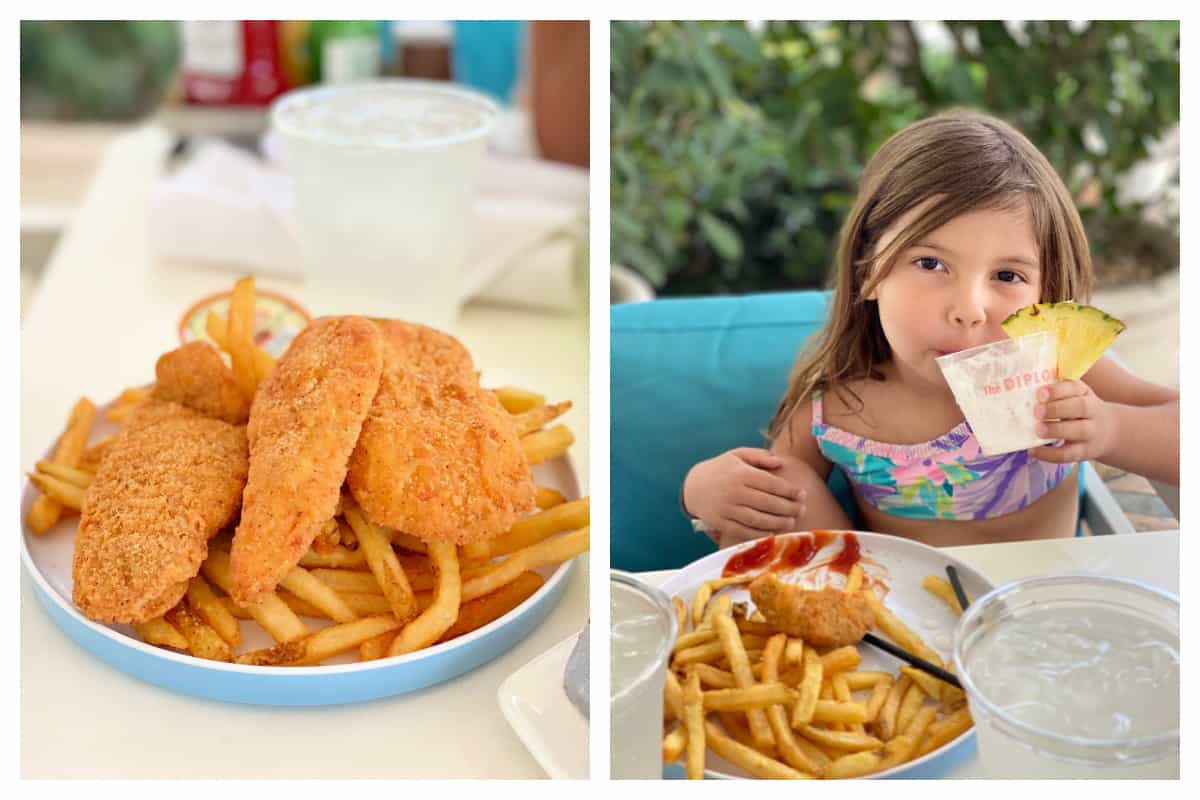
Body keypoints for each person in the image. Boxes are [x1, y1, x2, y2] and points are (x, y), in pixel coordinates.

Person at [681, 110, 1179, 550]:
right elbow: (765, 511)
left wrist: (1110, 429)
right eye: (930, 263)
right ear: (868, 272)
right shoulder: (834, 405)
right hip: (891, 617)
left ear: (1044, 296)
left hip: (1041, 608)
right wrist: (701, 491)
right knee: (783, 483)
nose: (969, 309)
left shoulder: (1051, 367)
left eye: (1007, 276)